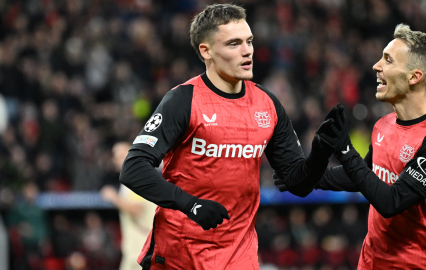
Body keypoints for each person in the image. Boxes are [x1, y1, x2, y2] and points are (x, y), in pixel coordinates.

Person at [119, 4, 332, 269]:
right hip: (178, 255)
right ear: (205, 51)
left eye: (249, 41)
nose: (247, 51)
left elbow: (296, 182)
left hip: (238, 257)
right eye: (234, 44)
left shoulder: (267, 104)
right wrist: (191, 205)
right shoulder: (183, 100)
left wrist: (320, 154)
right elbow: (133, 168)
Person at [276, 24, 426, 269]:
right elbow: (363, 175)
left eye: (387, 60)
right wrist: (308, 175)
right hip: (372, 262)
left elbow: (391, 202)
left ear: (414, 77)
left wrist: (345, 150)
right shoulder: (384, 124)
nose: (376, 66)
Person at [100, 142, 156, 270]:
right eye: (117, 156)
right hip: (136, 250)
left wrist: (113, 197)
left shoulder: (137, 178)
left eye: (123, 155)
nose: (120, 159)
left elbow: (136, 209)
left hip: (142, 250)